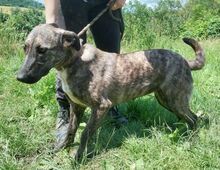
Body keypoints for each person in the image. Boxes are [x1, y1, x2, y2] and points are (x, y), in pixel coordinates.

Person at [44, 0, 127, 151]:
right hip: (70, 3)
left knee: (111, 54)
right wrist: (52, 19)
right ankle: (66, 111)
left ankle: (110, 104)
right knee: (66, 53)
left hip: (106, 2)